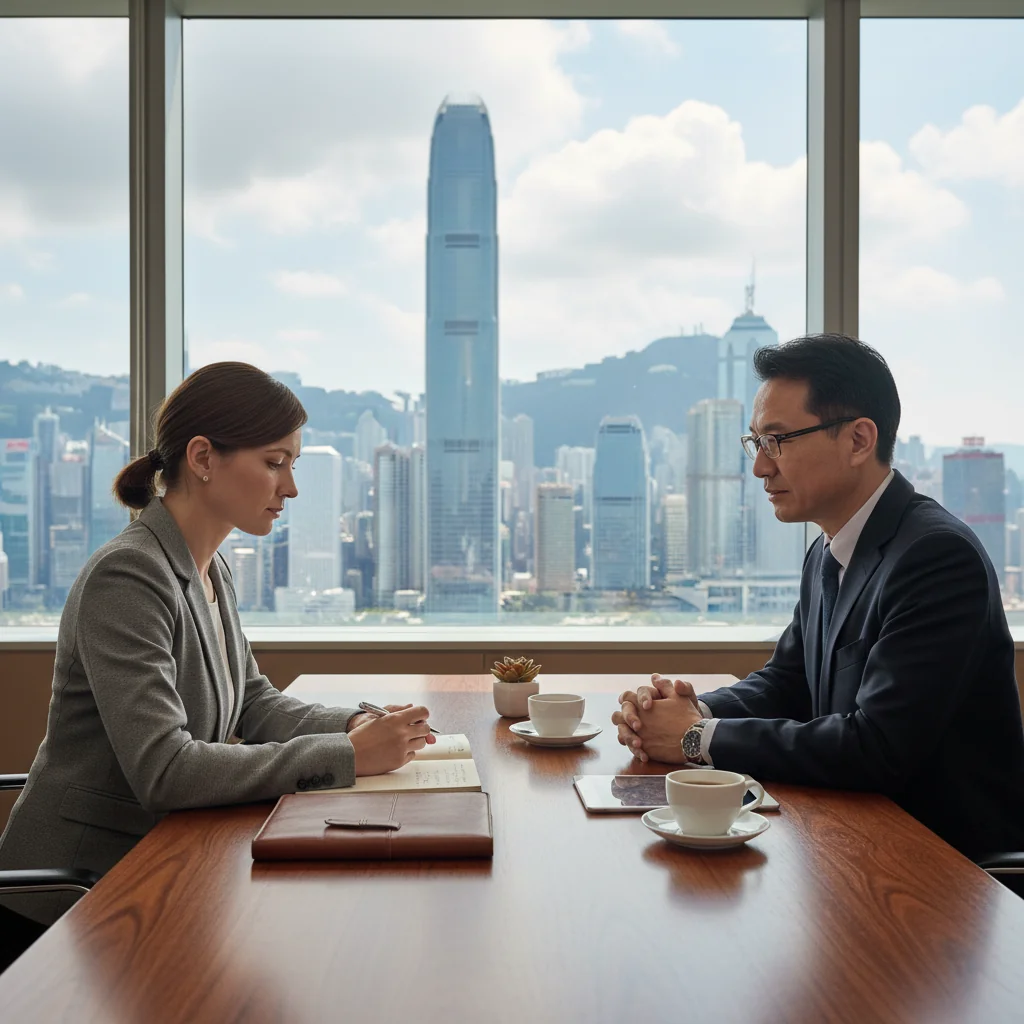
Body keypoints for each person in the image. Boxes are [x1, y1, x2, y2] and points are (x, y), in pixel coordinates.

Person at [0, 362, 434, 965]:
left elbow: (252, 700)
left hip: (164, 864)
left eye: (293, 465)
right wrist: (348, 757)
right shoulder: (127, 576)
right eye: (275, 462)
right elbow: (166, 771)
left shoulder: (208, 566)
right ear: (203, 458)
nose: (291, 488)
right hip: (74, 901)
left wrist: (353, 725)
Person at [613, 333, 1024, 860]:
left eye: (778, 441)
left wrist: (698, 738)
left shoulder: (936, 557)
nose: (761, 467)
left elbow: (877, 748)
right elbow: (789, 681)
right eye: (755, 443)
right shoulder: (830, 547)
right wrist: (686, 711)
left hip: (940, 867)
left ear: (858, 440)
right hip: (846, 840)